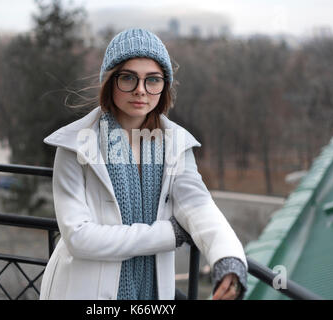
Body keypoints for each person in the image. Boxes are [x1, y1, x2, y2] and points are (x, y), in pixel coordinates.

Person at [40, 28, 247, 300]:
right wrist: (166, 234)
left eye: (153, 80)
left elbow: (198, 207)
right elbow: (78, 237)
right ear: (110, 82)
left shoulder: (174, 144)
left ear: (164, 87)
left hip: (150, 293)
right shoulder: (75, 145)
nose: (141, 90)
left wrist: (228, 259)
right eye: (128, 78)